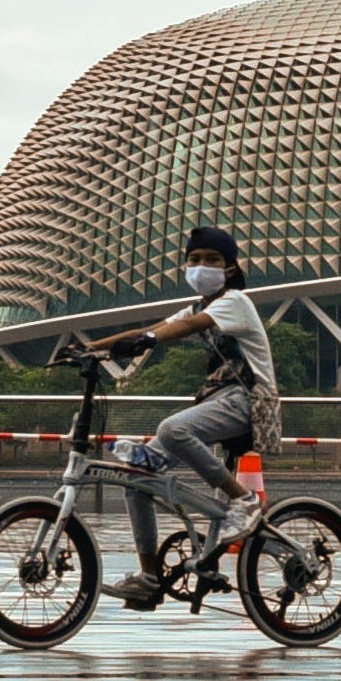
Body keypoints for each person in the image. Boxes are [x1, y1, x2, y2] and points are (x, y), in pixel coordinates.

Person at [101, 222, 279, 603]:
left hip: (248, 401)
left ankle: (243, 501)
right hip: (217, 401)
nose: (201, 267)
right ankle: (150, 579)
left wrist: (148, 340)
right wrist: (90, 349)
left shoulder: (235, 302)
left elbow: (184, 328)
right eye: (194, 260)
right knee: (136, 477)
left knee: (173, 428)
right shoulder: (198, 305)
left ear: (229, 268)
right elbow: (159, 325)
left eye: (211, 260)